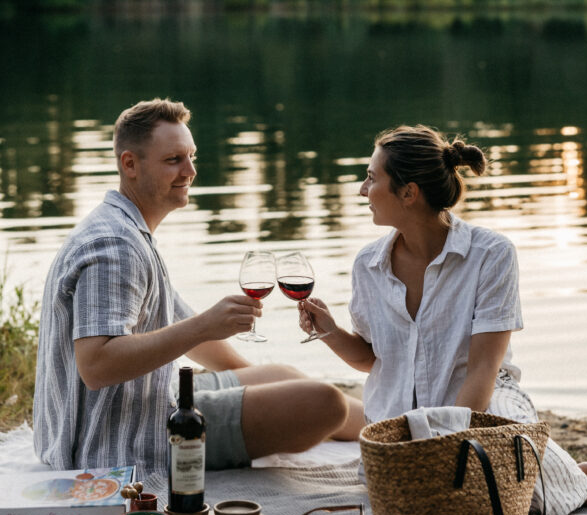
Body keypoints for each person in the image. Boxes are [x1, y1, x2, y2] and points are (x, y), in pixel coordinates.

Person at [299, 124, 587, 515]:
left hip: (483, 402)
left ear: (409, 192)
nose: (361, 190)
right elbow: (375, 359)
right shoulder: (367, 265)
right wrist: (330, 331)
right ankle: (567, 473)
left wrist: (450, 449)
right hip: (399, 423)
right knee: (427, 503)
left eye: (372, 178)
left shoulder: (491, 255)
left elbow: (484, 368)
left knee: (501, 496)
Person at [33, 98, 363, 474]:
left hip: (149, 398)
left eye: (191, 156)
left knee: (279, 375)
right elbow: (96, 365)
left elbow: (189, 331)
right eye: (174, 160)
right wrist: (205, 324)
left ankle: (390, 430)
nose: (190, 171)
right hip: (118, 438)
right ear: (130, 164)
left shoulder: (129, 229)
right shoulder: (115, 247)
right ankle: (389, 432)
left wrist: (248, 388)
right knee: (325, 404)